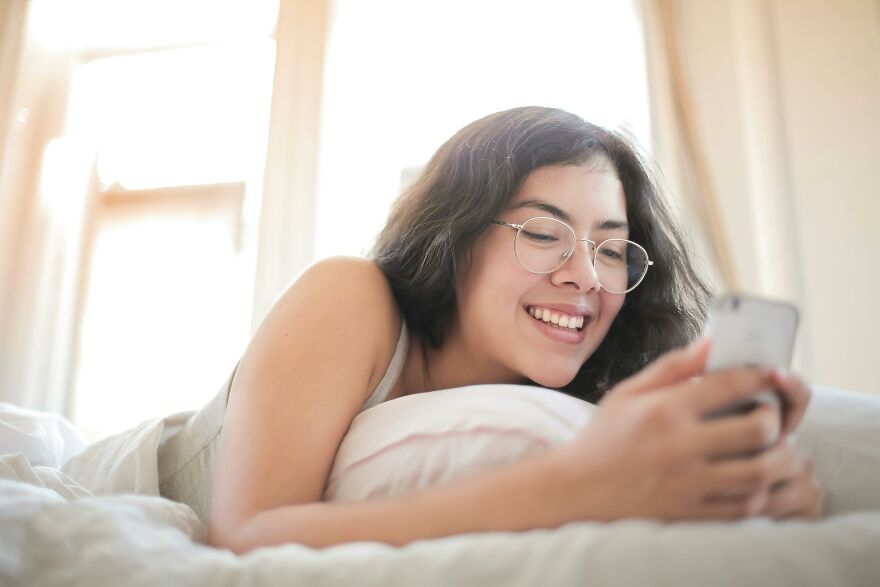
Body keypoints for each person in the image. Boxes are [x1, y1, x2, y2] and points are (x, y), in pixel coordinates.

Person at [206, 106, 821, 554]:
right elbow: (244, 536)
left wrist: (752, 499)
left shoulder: (572, 404)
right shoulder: (350, 295)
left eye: (612, 250)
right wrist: (577, 485)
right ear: (456, 235)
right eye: (543, 234)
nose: (585, 276)